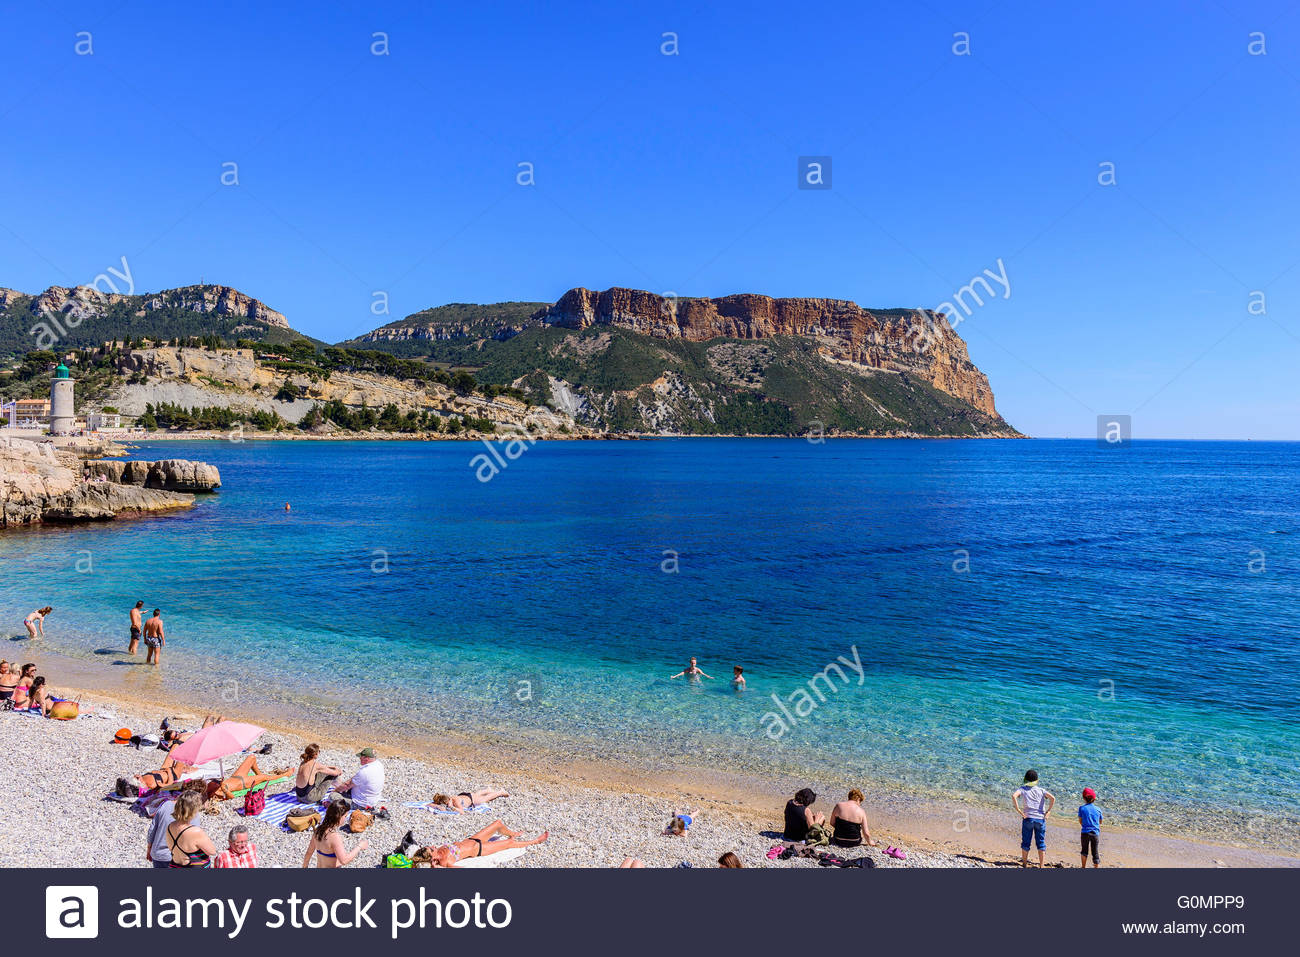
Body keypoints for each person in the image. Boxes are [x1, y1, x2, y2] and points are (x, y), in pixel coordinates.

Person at [406, 821, 549, 867]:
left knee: (497, 824)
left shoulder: (439, 851)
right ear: (433, 856)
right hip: (479, 849)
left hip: (472, 839)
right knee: (509, 844)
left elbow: (417, 854)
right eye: (431, 849)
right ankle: (536, 841)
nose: (432, 846)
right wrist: (435, 865)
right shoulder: (444, 860)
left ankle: (512, 832)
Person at [146, 779, 205, 868]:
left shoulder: (165, 805)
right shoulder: (193, 814)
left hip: (158, 854)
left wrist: (149, 848)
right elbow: (194, 840)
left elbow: (152, 829)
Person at [303, 800, 368, 868]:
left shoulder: (318, 830)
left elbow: (309, 853)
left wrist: (304, 867)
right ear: (339, 817)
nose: (345, 819)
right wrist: (359, 846)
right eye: (345, 816)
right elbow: (344, 860)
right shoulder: (334, 836)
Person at [1012, 769, 1055, 868]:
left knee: (1026, 842)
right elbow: (1053, 798)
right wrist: (1048, 811)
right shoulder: (1041, 790)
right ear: (1037, 780)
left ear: (1025, 779)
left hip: (1028, 818)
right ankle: (1041, 865)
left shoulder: (1022, 789)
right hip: (1040, 819)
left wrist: (1019, 810)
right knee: (1041, 842)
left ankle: (1024, 864)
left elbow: (1014, 796)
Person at [166, 791, 217, 868]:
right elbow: (212, 851)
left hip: (175, 865)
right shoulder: (195, 831)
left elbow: (171, 848)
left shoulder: (170, 827)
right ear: (193, 810)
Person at [428, 788, 510, 813]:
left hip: (470, 799)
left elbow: (462, 812)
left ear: (448, 800)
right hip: (465, 796)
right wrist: (435, 805)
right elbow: (429, 804)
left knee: (484, 799)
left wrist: (453, 808)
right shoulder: (448, 798)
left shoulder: (455, 802)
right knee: (477, 795)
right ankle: (487, 789)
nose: (446, 805)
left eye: (447, 803)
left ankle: (500, 792)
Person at [1078, 787, 1103, 868]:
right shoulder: (1098, 809)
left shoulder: (1082, 808)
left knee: (1084, 851)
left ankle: (1083, 867)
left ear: (1083, 798)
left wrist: (1085, 825)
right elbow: (1100, 822)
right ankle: (1096, 867)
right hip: (1095, 833)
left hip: (1085, 832)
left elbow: (1080, 820)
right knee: (1095, 852)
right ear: (1094, 798)